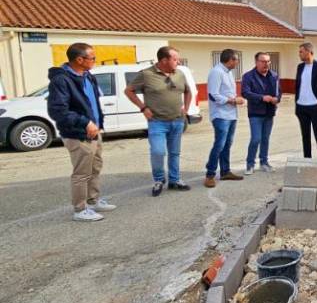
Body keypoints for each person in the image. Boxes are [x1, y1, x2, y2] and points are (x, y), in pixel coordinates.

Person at [47, 42, 117, 221]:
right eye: (92, 57)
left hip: (94, 131)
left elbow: (92, 102)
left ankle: (93, 201)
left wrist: (97, 123)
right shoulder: (61, 80)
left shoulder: (88, 76)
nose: (95, 60)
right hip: (77, 133)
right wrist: (85, 122)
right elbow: (58, 110)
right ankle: (80, 210)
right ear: (79, 59)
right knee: (81, 173)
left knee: (95, 168)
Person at [124, 46, 193, 196]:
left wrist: (186, 109)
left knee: (174, 153)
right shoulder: (146, 74)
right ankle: (159, 180)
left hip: (177, 120)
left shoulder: (180, 74)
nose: (178, 61)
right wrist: (143, 108)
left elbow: (188, 91)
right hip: (157, 122)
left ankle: (175, 180)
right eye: (175, 59)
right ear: (164, 60)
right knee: (158, 151)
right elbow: (128, 91)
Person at [204, 49, 245, 187]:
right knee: (220, 144)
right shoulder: (216, 72)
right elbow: (213, 95)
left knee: (227, 144)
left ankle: (225, 171)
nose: (237, 62)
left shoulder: (228, 72)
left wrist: (234, 101)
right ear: (230, 60)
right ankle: (210, 174)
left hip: (231, 114)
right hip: (220, 115)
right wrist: (233, 101)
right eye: (236, 59)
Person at [241, 52, 281, 174]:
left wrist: (277, 99)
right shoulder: (248, 76)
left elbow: (279, 92)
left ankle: (264, 162)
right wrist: (262, 97)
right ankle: (250, 164)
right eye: (263, 61)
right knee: (256, 139)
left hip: (269, 112)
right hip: (255, 112)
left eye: (268, 61)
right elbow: (245, 93)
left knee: (265, 139)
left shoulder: (274, 75)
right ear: (256, 62)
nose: (266, 64)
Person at [294, 42, 317, 159]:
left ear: (309, 52)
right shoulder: (300, 67)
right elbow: (298, 85)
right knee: (305, 137)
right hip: (301, 107)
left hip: (315, 107)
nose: (299, 54)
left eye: (301, 51)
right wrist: (297, 103)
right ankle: (307, 160)